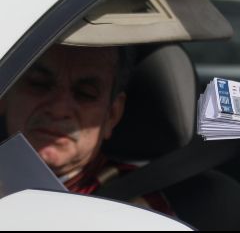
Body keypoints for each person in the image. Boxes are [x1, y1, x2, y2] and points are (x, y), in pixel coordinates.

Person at [0, 44, 173, 215]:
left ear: (111, 116)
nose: (59, 110)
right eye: (40, 84)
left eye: (85, 93)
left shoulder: (135, 210)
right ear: (4, 94)